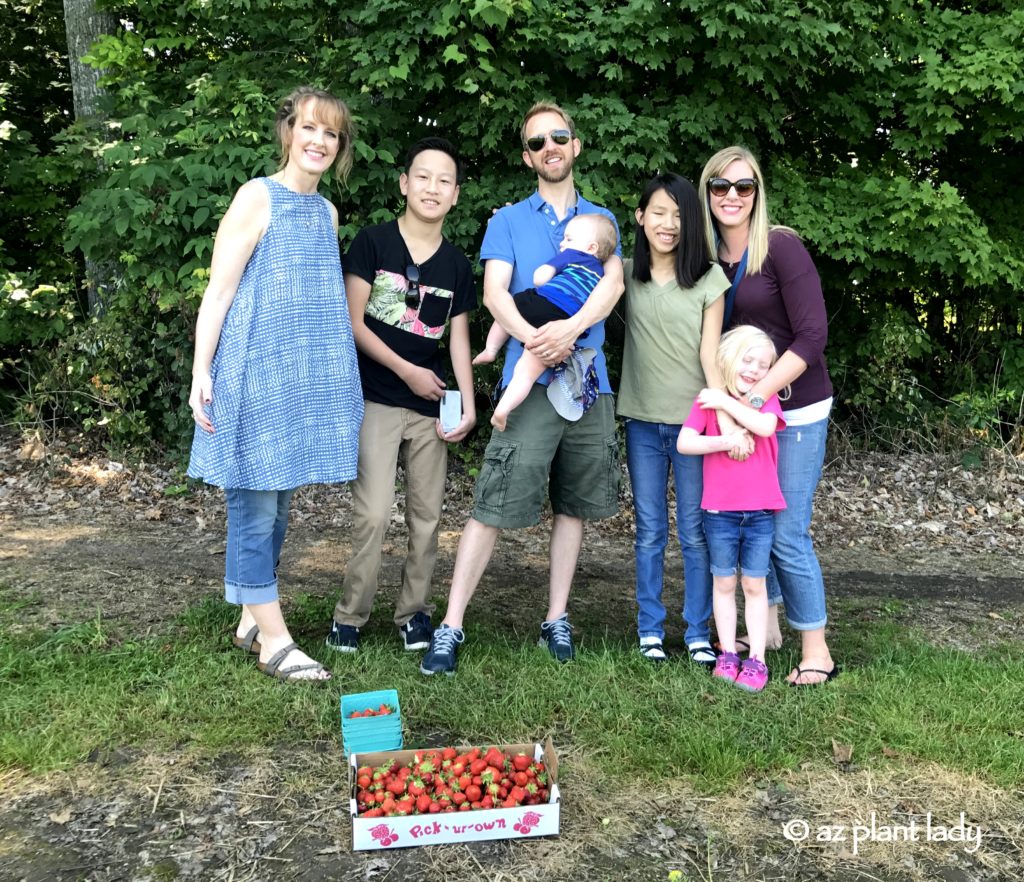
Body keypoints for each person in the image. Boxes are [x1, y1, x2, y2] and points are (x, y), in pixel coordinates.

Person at [420, 101, 624, 675]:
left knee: (574, 507)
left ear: (575, 144)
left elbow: (612, 285)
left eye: (559, 136)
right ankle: (451, 625)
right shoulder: (508, 220)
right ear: (527, 155)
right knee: (492, 501)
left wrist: (572, 331)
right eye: (537, 142)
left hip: (588, 385)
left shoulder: (602, 218)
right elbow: (495, 296)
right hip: (528, 383)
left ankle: (556, 618)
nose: (549, 147)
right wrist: (541, 340)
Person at [187, 86, 362, 682]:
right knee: (255, 506)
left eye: (331, 133)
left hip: (298, 383)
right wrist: (200, 370)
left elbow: (317, 304)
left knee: (281, 501)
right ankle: (275, 641)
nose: (319, 141)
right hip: (250, 373)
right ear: (288, 132)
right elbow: (220, 291)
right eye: (310, 128)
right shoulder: (256, 197)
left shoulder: (325, 212)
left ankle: (249, 616)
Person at [325, 137, 476, 654]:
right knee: (371, 513)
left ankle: (414, 613)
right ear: (404, 184)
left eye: (444, 180)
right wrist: (407, 370)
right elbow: (352, 323)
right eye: (424, 176)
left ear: (455, 195)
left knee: (427, 516)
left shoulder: (456, 265)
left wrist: (468, 403)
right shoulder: (373, 243)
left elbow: (458, 339)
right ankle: (351, 614)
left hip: (430, 408)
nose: (432, 188)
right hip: (377, 398)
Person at [699, 145, 839, 686]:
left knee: (784, 530)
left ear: (758, 192)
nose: (731, 196)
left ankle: (817, 649)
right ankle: (769, 626)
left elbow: (813, 335)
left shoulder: (780, 248)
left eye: (744, 186)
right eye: (720, 186)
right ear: (707, 192)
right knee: (754, 514)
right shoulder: (710, 260)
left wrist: (755, 401)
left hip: (796, 410)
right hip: (742, 412)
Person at [616, 173, 729, 665]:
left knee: (694, 530)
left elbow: (711, 353)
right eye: (658, 212)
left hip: (693, 426)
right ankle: (650, 629)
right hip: (640, 421)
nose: (668, 223)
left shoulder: (709, 278)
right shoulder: (621, 274)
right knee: (649, 531)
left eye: (680, 214)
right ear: (640, 218)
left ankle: (699, 631)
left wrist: (723, 416)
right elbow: (574, 258)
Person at [677, 326, 786, 692]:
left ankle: (756, 659)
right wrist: (725, 439)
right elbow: (685, 443)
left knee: (754, 584)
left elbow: (764, 427)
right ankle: (726, 653)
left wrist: (724, 403)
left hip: (759, 512)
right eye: (748, 360)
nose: (755, 370)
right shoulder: (706, 402)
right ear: (728, 359)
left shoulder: (764, 400)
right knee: (723, 582)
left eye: (764, 365)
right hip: (719, 512)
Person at [473, 212, 618, 431]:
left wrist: (549, 268)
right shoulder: (601, 273)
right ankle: (503, 410)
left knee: (508, 310)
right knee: (527, 371)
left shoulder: (573, 255)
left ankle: (491, 349)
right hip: (565, 322)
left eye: (569, 238)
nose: (563, 243)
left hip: (544, 302)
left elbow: (540, 277)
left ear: (591, 247)